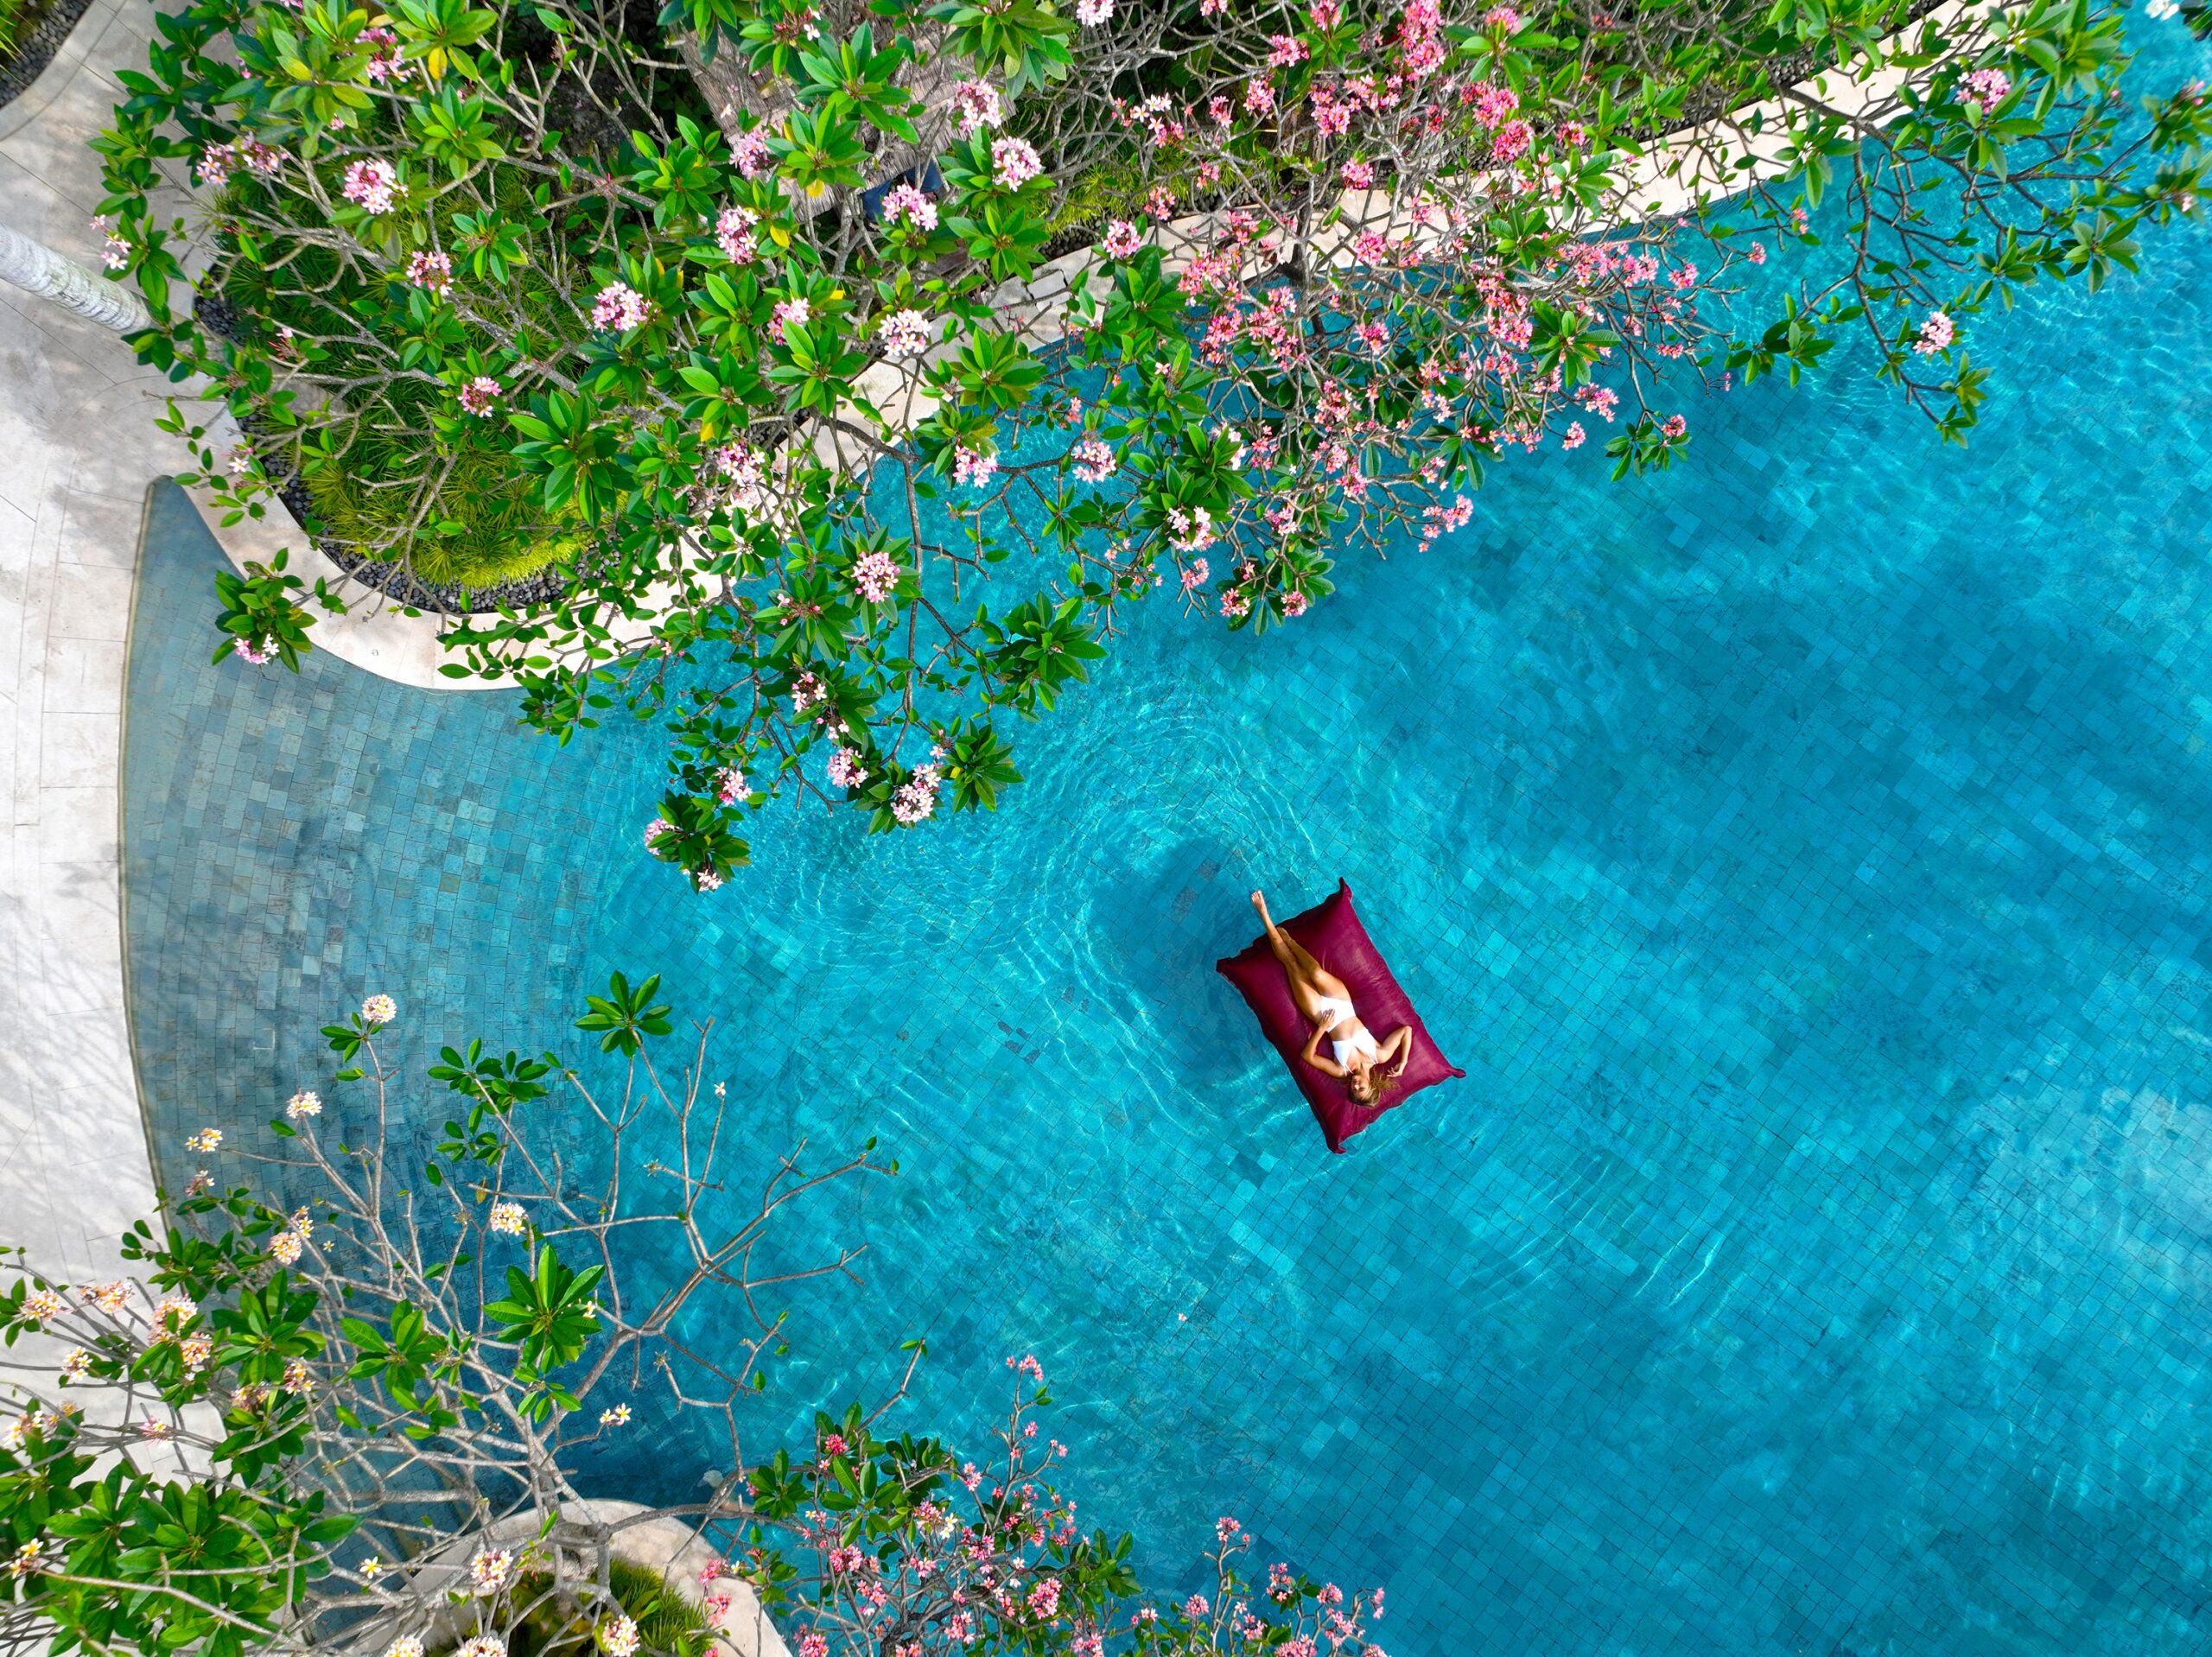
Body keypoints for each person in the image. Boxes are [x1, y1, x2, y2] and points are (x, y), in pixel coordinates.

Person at [1249, 890, 1411, 1106]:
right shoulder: (1379, 1056)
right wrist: (1403, 1061)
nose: (1355, 1085)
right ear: (1370, 1084)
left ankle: (1264, 915)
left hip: (1320, 1015)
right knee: (1315, 972)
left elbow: (1308, 1057)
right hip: (1343, 1004)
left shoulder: (1340, 1070)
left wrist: (1322, 1028)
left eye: (1353, 1091)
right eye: (1360, 1088)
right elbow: (1405, 1031)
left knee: (1290, 965)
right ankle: (1291, 941)